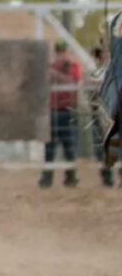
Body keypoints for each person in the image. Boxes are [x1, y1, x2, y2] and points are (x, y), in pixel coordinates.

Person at [40, 40, 82, 189]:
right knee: (49, 148)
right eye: (58, 52)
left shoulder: (73, 66)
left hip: (68, 111)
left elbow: (73, 82)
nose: (60, 55)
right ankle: (47, 179)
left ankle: (71, 177)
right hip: (53, 111)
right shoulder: (51, 67)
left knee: (69, 147)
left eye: (63, 52)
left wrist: (55, 75)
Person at [89, 45, 114, 187]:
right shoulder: (94, 71)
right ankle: (107, 179)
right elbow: (90, 85)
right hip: (99, 112)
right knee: (101, 148)